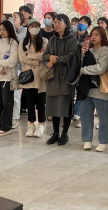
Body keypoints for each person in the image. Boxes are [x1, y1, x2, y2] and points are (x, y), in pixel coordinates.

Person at [43, 14, 78, 146]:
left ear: (66, 24)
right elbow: (44, 55)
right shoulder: (52, 39)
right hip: (52, 77)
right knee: (53, 106)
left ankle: (65, 133)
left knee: (65, 106)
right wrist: (50, 57)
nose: (56, 25)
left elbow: (71, 56)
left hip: (66, 76)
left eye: (59, 22)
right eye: (55, 22)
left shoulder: (72, 39)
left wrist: (54, 59)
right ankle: (55, 133)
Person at [79, 26, 108, 152]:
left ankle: (104, 141)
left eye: (97, 35)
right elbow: (79, 64)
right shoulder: (88, 51)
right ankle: (87, 139)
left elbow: (101, 68)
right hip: (86, 87)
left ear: (102, 37)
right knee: (85, 114)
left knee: (103, 115)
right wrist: (82, 54)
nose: (93, 37)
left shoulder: (106, 50)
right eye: (92, 34)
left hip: (100, 87)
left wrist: (83, 70)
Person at [19, 19, 48, 138]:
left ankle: (41, 125)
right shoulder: (23, 42)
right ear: (28, 28)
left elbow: (44, 56)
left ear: (40, 28)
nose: (34, 28)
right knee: (29, 102)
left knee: (41, 102)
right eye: (32, 26)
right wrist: (36, 58)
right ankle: (30, 125)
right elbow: (22, 58)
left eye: (36, 26)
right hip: (28, 76)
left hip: (40, 76)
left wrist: (29, 55)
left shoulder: (44, 41)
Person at [0, 21, 20, 137]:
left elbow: (13, 61)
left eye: (4, 30)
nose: (2, 32)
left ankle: (7, 127)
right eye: (0, 30)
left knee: (7, 102)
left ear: (9, 30)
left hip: (8, 77)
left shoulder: (13, 43)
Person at [73, 16, 92, 129]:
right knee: (71, 90)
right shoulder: (71, 35)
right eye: (81, 21)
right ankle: (71, 113)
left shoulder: (88, 38)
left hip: (83, 66)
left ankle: (77, 112)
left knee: (81, 90)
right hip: (71, 66)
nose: (82, 23)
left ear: (88, 26)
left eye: (85, 22)